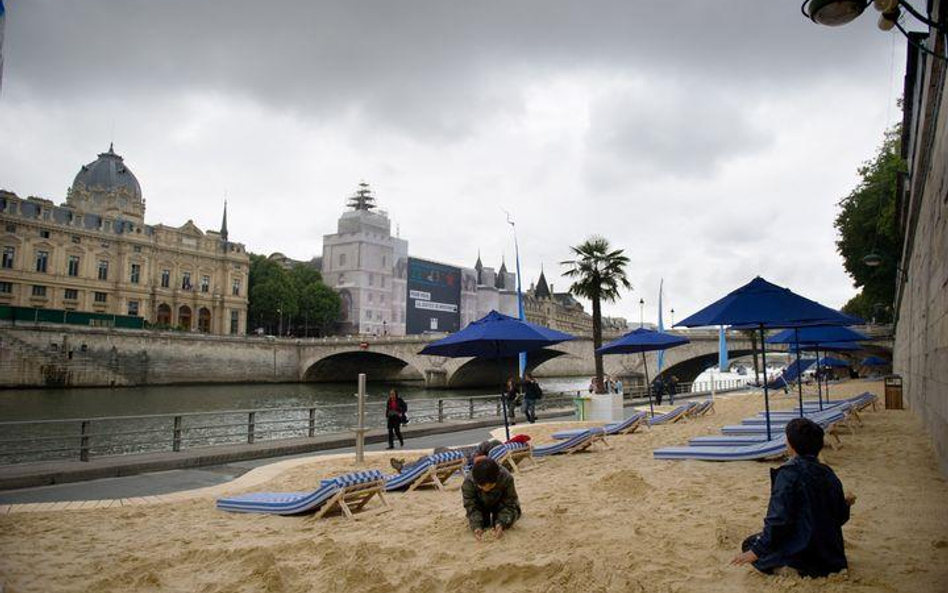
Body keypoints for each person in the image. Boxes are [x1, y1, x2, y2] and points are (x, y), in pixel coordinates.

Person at [731, 418, 856, 577]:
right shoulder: (828, 473)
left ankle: (787, 567)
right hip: (830, 556)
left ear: (791, 444)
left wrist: (755, 552)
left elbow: (779, 520)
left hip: (801, 551)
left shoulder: (788, 474)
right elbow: (840, 517)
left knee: (749, 543)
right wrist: (846, 504)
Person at [463, 457, 521, 541]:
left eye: (490, 486)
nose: (486, 489)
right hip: (481, 506)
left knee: (512, 516)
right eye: (481, 486)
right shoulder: (469, 482)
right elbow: (471, 507)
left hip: (501, 504)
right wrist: (477, 527)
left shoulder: (506, 478)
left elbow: (510, 504)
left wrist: (501, 524)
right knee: (483, 523)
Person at [390, 439, 502, 473]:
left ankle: (403, 467)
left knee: (428, 460)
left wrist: (482, 457)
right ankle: (405, 465)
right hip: (457, 453)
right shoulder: (497, 451)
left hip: (456, 456)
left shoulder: (487, 448)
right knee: (433, 454)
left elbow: (474, 459)